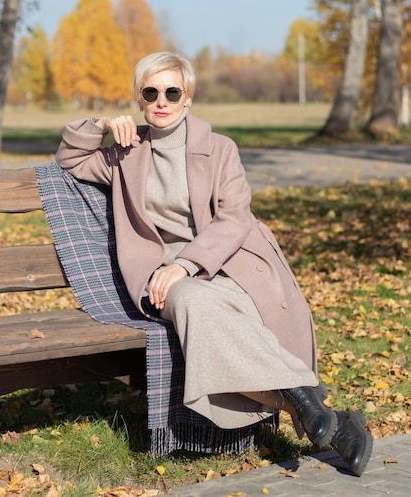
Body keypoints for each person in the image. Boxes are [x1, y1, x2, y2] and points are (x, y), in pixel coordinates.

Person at [55, 51, 373, 476]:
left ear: (188, 97)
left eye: (172, 91)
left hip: (228, 261)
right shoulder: (125, 154)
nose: (161, 101)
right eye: (151, 92)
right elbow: (70, 159)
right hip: (163, 276)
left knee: (223, 319)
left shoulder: (220, 148)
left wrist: (186, 264)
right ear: (139, 99)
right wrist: (100, 125)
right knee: (190, 304)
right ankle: (309, 402)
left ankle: (318, 416)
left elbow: (234, 217)